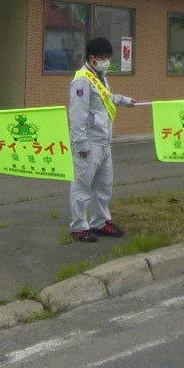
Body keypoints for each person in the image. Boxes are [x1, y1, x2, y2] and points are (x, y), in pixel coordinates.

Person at [69, 35, 134, 242]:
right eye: (103, 57)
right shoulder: (82, 80)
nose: (106, 60)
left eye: (108, 57)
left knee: (104, 185)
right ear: (92, 57)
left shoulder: (101, 77)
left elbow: (107, 99)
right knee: (82, 185)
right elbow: (77, 115)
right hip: (88, 141)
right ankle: (79, 226)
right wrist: (81, 143)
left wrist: (124, 101)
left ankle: (100, 222)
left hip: (104, 140)